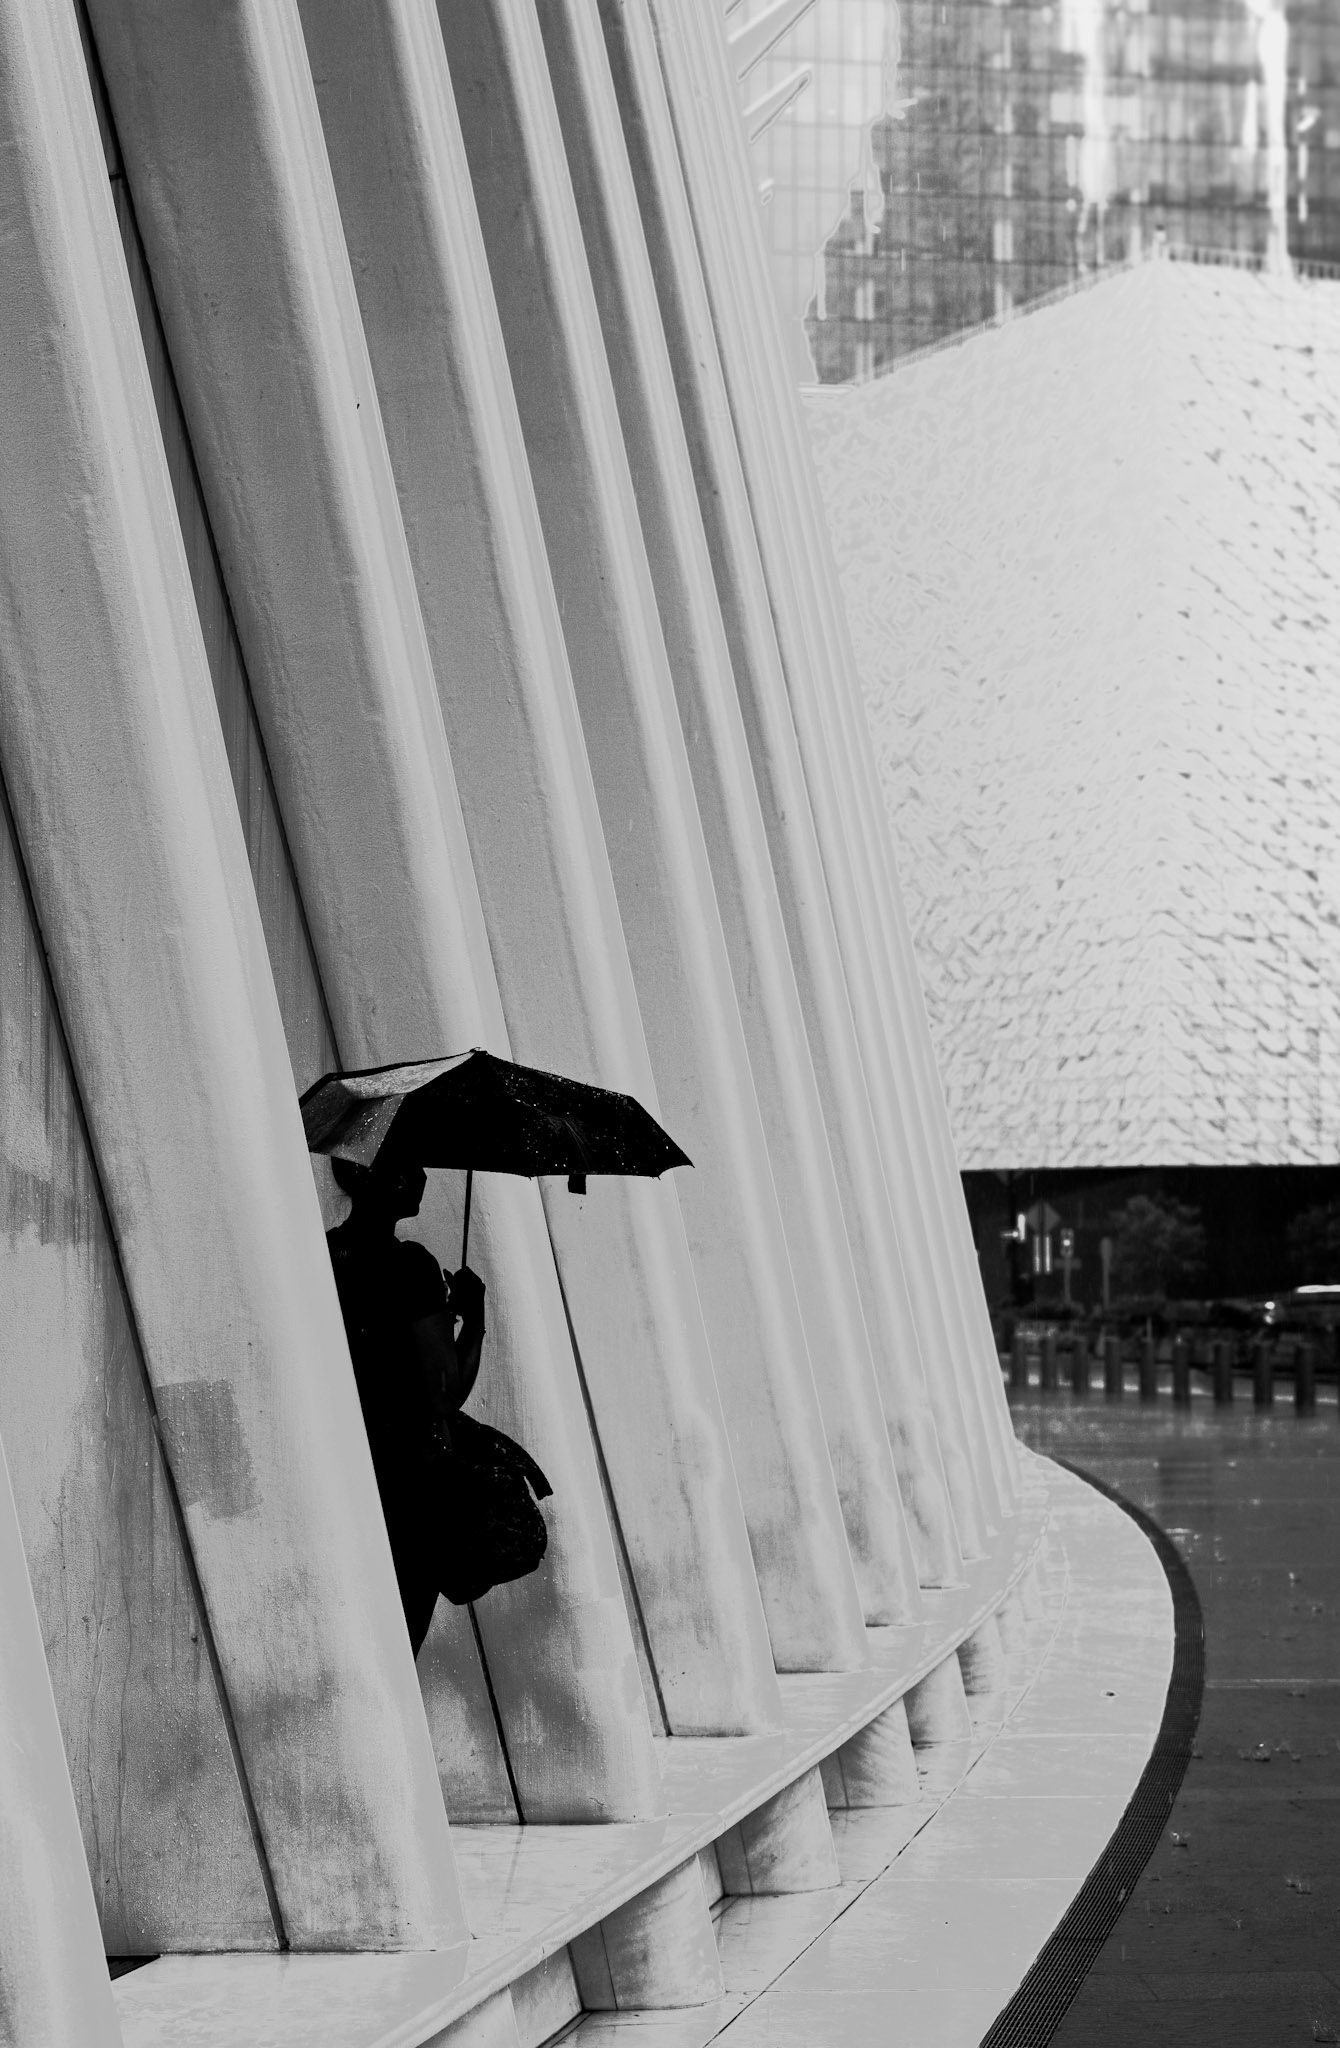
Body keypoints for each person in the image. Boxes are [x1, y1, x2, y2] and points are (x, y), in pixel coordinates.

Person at [325, 1150, 485, 1654]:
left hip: (341, 1464)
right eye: (407, 1166)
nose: (421, 1175)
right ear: (374, 1178)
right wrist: (473, 1319)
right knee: (398, 1631)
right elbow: (443, 1393)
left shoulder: (324, 1252)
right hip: (405, 1476)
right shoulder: (409, 1267)